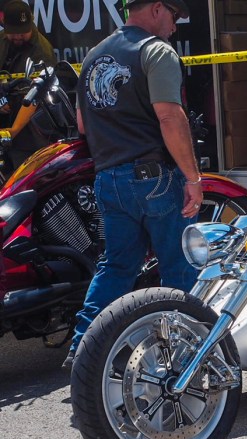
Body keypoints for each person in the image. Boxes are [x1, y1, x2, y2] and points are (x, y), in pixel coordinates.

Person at [62, 0, 202, 369]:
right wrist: (193, 177)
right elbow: (170, 117)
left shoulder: (94, 55)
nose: (174, 26)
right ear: (157, 8)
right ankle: (183, 357)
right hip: (155, 178)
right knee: (179, 267)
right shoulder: (156, 51)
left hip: (108, 178)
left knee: (116, 267)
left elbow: (82, 124)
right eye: (174, 15)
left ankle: (83, 349)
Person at [0, 0, 56, 168]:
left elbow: (35, 96)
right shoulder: (2, 41)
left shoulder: (42, 51)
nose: (18, 36)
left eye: (23, 32)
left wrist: (13, 131)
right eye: (13, 32)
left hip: (29, 137)